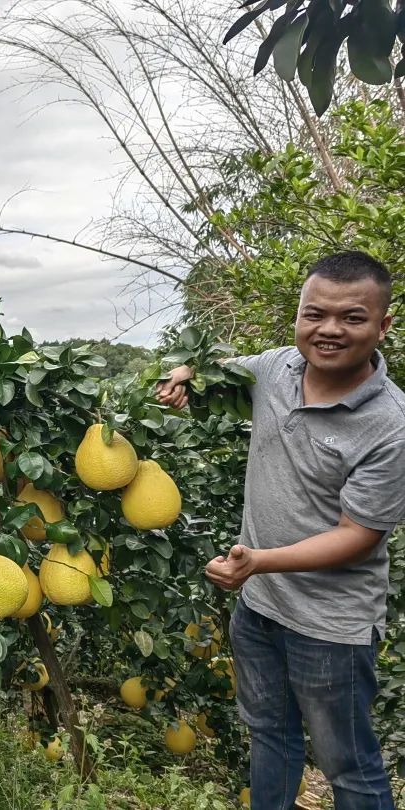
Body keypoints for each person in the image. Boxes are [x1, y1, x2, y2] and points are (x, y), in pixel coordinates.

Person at [156, 251, 403, 810]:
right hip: (259, 608)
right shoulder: (277, 368)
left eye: (352, 318)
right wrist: (183, 373)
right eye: (315, 314)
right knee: (270, 737)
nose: (330, 330)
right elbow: (217, 366)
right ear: (298, 315)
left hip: (330, 625)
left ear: (383, 325)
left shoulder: (391, 425)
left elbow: (358, 535)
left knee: (349, 764)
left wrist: (259, 562)